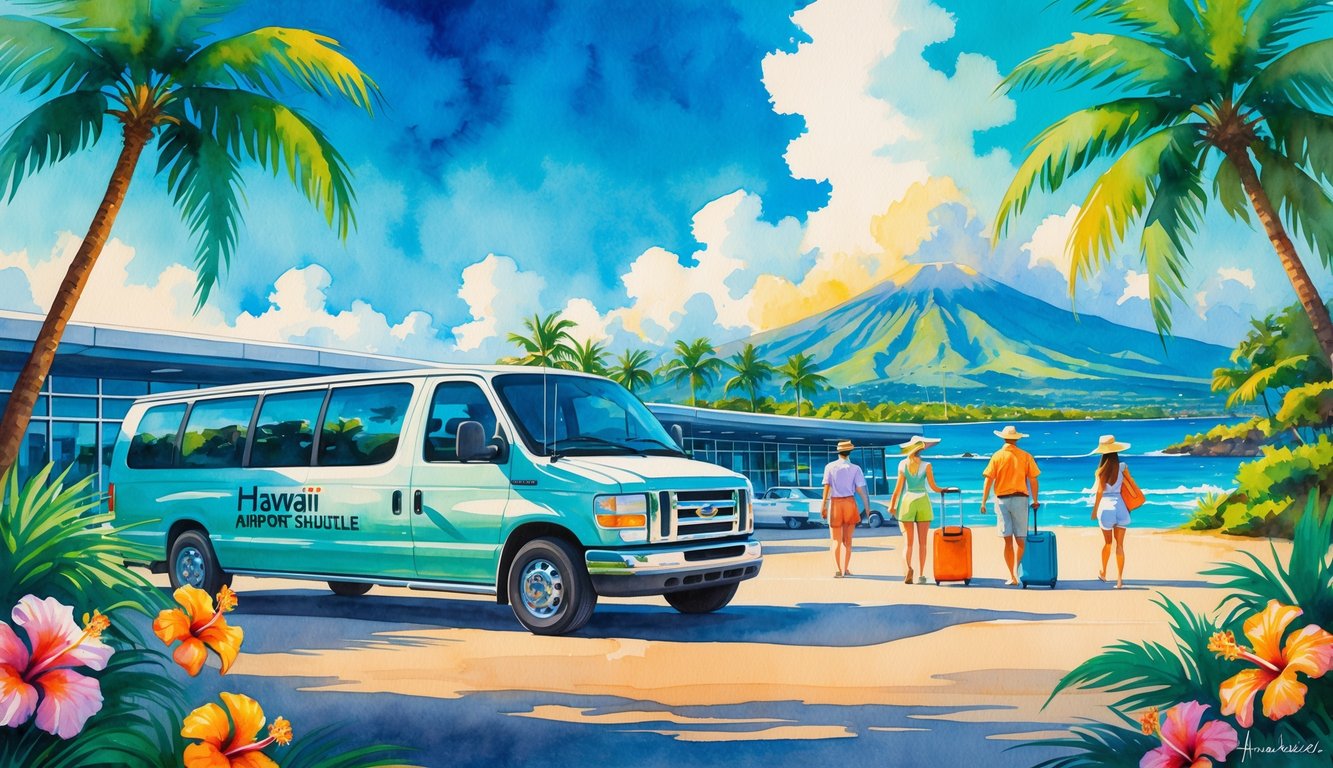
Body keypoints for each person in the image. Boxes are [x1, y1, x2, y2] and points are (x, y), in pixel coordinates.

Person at [980, 425, 1041, 586]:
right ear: (1017, 439)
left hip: (1002, 501)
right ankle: (1017, 570)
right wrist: (1035, 500)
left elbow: (988, 480)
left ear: (1003, 438)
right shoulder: (1025, 456)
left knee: (1007, 541)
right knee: (1021, 540)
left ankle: (1011, 575)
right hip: (1021, 499)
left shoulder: (997, 456)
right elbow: (1033, 479)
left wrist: (983, 501)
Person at [888, 435, 947, 584]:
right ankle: (921, 575)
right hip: (923, 502)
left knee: (908, 543)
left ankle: (908, 568)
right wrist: (943, 490)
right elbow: (933, 487)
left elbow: (897, 490)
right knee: (923, 543)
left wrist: (892, 505)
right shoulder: (927, 465)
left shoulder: (902, 464)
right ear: (921, 449)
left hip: (908, 502)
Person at [821, 439, 871, 578]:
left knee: (835, 540)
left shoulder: (830, 467)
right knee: (848, 540)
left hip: (835, 504)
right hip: (850, 503)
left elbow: (827, 488)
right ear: (850, 452)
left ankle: (838, 569)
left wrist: (823, 505)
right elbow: (861, 491)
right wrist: (867, 508)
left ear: (838, 452)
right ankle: (846, 568)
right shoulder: (856, 469)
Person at [1089, 434, 1131, 589]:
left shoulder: (1100, 471)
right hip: (1120, 506)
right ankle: (1119, 580)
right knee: (1120, 545)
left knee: (1108, 543)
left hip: (1106, 507)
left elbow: (1100, 492)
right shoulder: (1123, 467)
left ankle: (1104, 572)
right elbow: (1129, 484)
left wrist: (1094, 511)